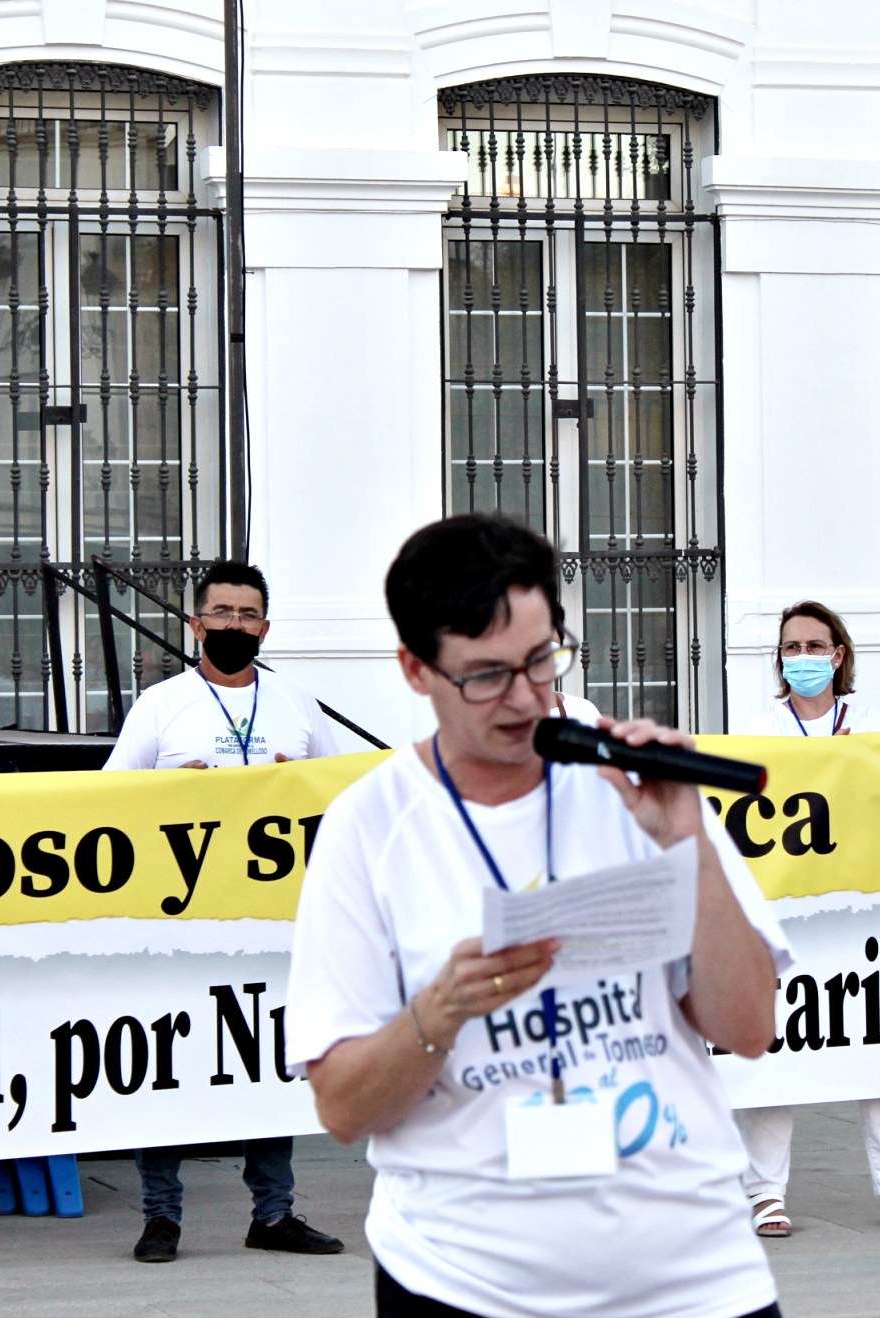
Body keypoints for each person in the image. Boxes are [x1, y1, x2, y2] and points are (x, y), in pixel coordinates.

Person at [284, 513, 791, 1318]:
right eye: (486, 676)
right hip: (466, 1286)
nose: (525, 699)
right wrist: (438, 1012)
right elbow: (343, 1108)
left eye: (542, 660)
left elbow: (750, 1028)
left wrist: (685, 843)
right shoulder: (370, 826)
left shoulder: (630, 775)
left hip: (693, 1278)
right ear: (416, 670)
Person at [102, 560, 344, 1263]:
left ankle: (274, 1213)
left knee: (270, 1066)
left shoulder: (298, 705)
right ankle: (160, 1216)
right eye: (222, 614)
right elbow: (107, 807)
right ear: (195, 623)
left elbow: (333, 802)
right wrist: (168, 794)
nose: (234, 626)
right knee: (171, 1065)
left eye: (247, 616)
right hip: (181, 922)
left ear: (265, 627)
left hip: (271, 923)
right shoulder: (160, 705)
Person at [733, 600, 880, 1239]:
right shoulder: (760, 727)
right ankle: (764, 1194)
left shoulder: (871, 720)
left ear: (839, 653)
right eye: (790, 647)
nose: (801, 658)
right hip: (789, 911)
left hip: (862, 908)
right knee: (778, 1048)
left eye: (812, 646)